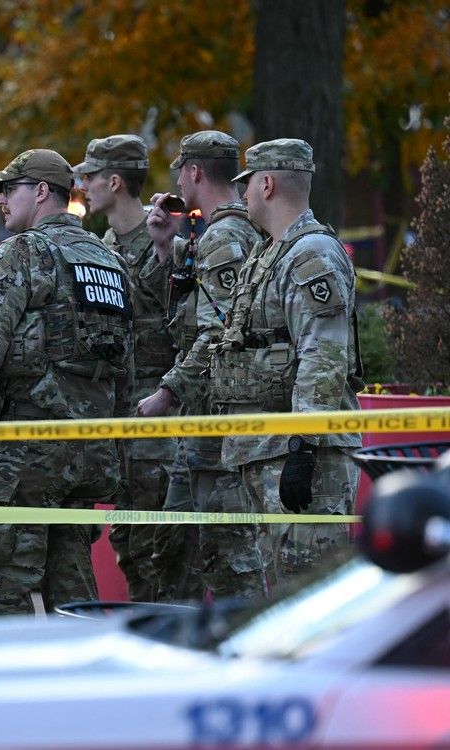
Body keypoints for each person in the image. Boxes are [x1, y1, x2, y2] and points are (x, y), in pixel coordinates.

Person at [0, 149, 133, 616]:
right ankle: (77, 680)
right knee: (72, 575)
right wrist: (117, 443)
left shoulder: (24, 252)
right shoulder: (108, 260)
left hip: (23, 450)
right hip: (89, 450)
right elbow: (126, 365)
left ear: (41, 192)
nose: (0, 201)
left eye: (9, 190)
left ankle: (13, 683)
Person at [209, 138, 361, 585]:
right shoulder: (269, 253)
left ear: (268, 183)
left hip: (301, 459)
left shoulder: (310, 254)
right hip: (266, 452)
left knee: (310, 593)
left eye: (248, 184)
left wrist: (303, 448)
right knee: (279, 595)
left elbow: (324, 356)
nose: (243, 195)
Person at [138, 131, 269, 599]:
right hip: (207, 420)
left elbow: (218, 331)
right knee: (177, 548)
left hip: (216, 421)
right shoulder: (221, 233)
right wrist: (163, 248)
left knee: (219, 554)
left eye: (179, 170)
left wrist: (167, 391)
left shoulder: (224, 237)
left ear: (194, 173)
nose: (175, 179)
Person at [73, 134, 181, 602]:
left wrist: (164, 254)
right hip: (119, 416)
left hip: (159, 417)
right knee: (130, 547)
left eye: (91, 177)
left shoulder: (167, 241)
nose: (83, 186)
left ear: (115, 181)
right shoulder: (101, 245)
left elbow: (185, 323)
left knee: (164, 552)